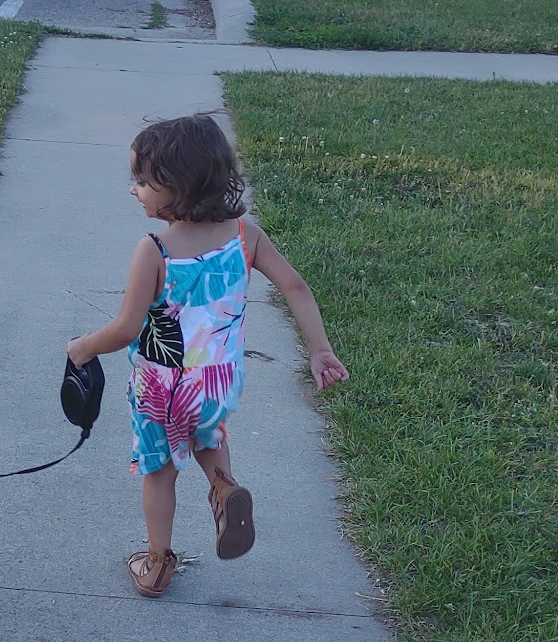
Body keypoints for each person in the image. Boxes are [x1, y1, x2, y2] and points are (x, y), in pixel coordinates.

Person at [66, 112, 348, 598]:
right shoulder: (244, 235)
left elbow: (126, 328)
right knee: (208, 437)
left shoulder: (154, 250)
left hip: (162, 387)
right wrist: (319, 349)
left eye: (143, 181)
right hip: (218, 381)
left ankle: (157, 563)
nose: (134, 190)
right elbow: (295, 287)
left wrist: (82, 347)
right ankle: (224, 487)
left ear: (178, 186)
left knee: (160, 472)